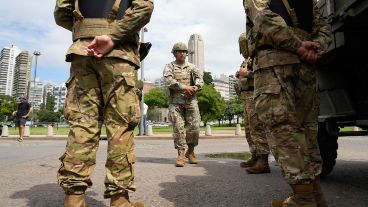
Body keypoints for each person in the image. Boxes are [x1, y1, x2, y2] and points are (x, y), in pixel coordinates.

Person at [54, 0, 154, 206]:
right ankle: (119, 200)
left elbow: (62, 13)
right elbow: (144, 8)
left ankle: (74, 199)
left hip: (83, 50)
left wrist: (88, 31)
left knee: (82, 125)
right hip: (118, 53)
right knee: (120, 127)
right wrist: (112, 35)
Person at [244, 0, 332, 206]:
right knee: (307, 131)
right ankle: (315, 196)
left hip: (274, 62)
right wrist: (316, 46)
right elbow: (323, 28)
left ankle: (302, 198)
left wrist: (299, 47)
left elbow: (263, 19)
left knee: (283, 129)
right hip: (305, 67)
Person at [235, 30, 270, 174]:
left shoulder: (258, 56)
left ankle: (263, 160)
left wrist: (246, 74)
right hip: (247, 98)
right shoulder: (247, 60)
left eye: (245, 44)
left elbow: (265, 74)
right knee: (249, 130)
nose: (243, 48)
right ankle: (255, 156)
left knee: (257, 128)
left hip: (256, 96)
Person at [163, 42, 204, 167]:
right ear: (175, 53)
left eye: (184, 51)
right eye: (179, 51)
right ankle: (180, 154)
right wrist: (185, 87)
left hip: (191, 101)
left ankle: (190, 152)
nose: (182, 53)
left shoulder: (192, 67)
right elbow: (169, 80)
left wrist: (195, 87)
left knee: (194, 128)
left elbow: (200, 79)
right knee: (178, 129)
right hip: (176, 103)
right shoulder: (169, 66)